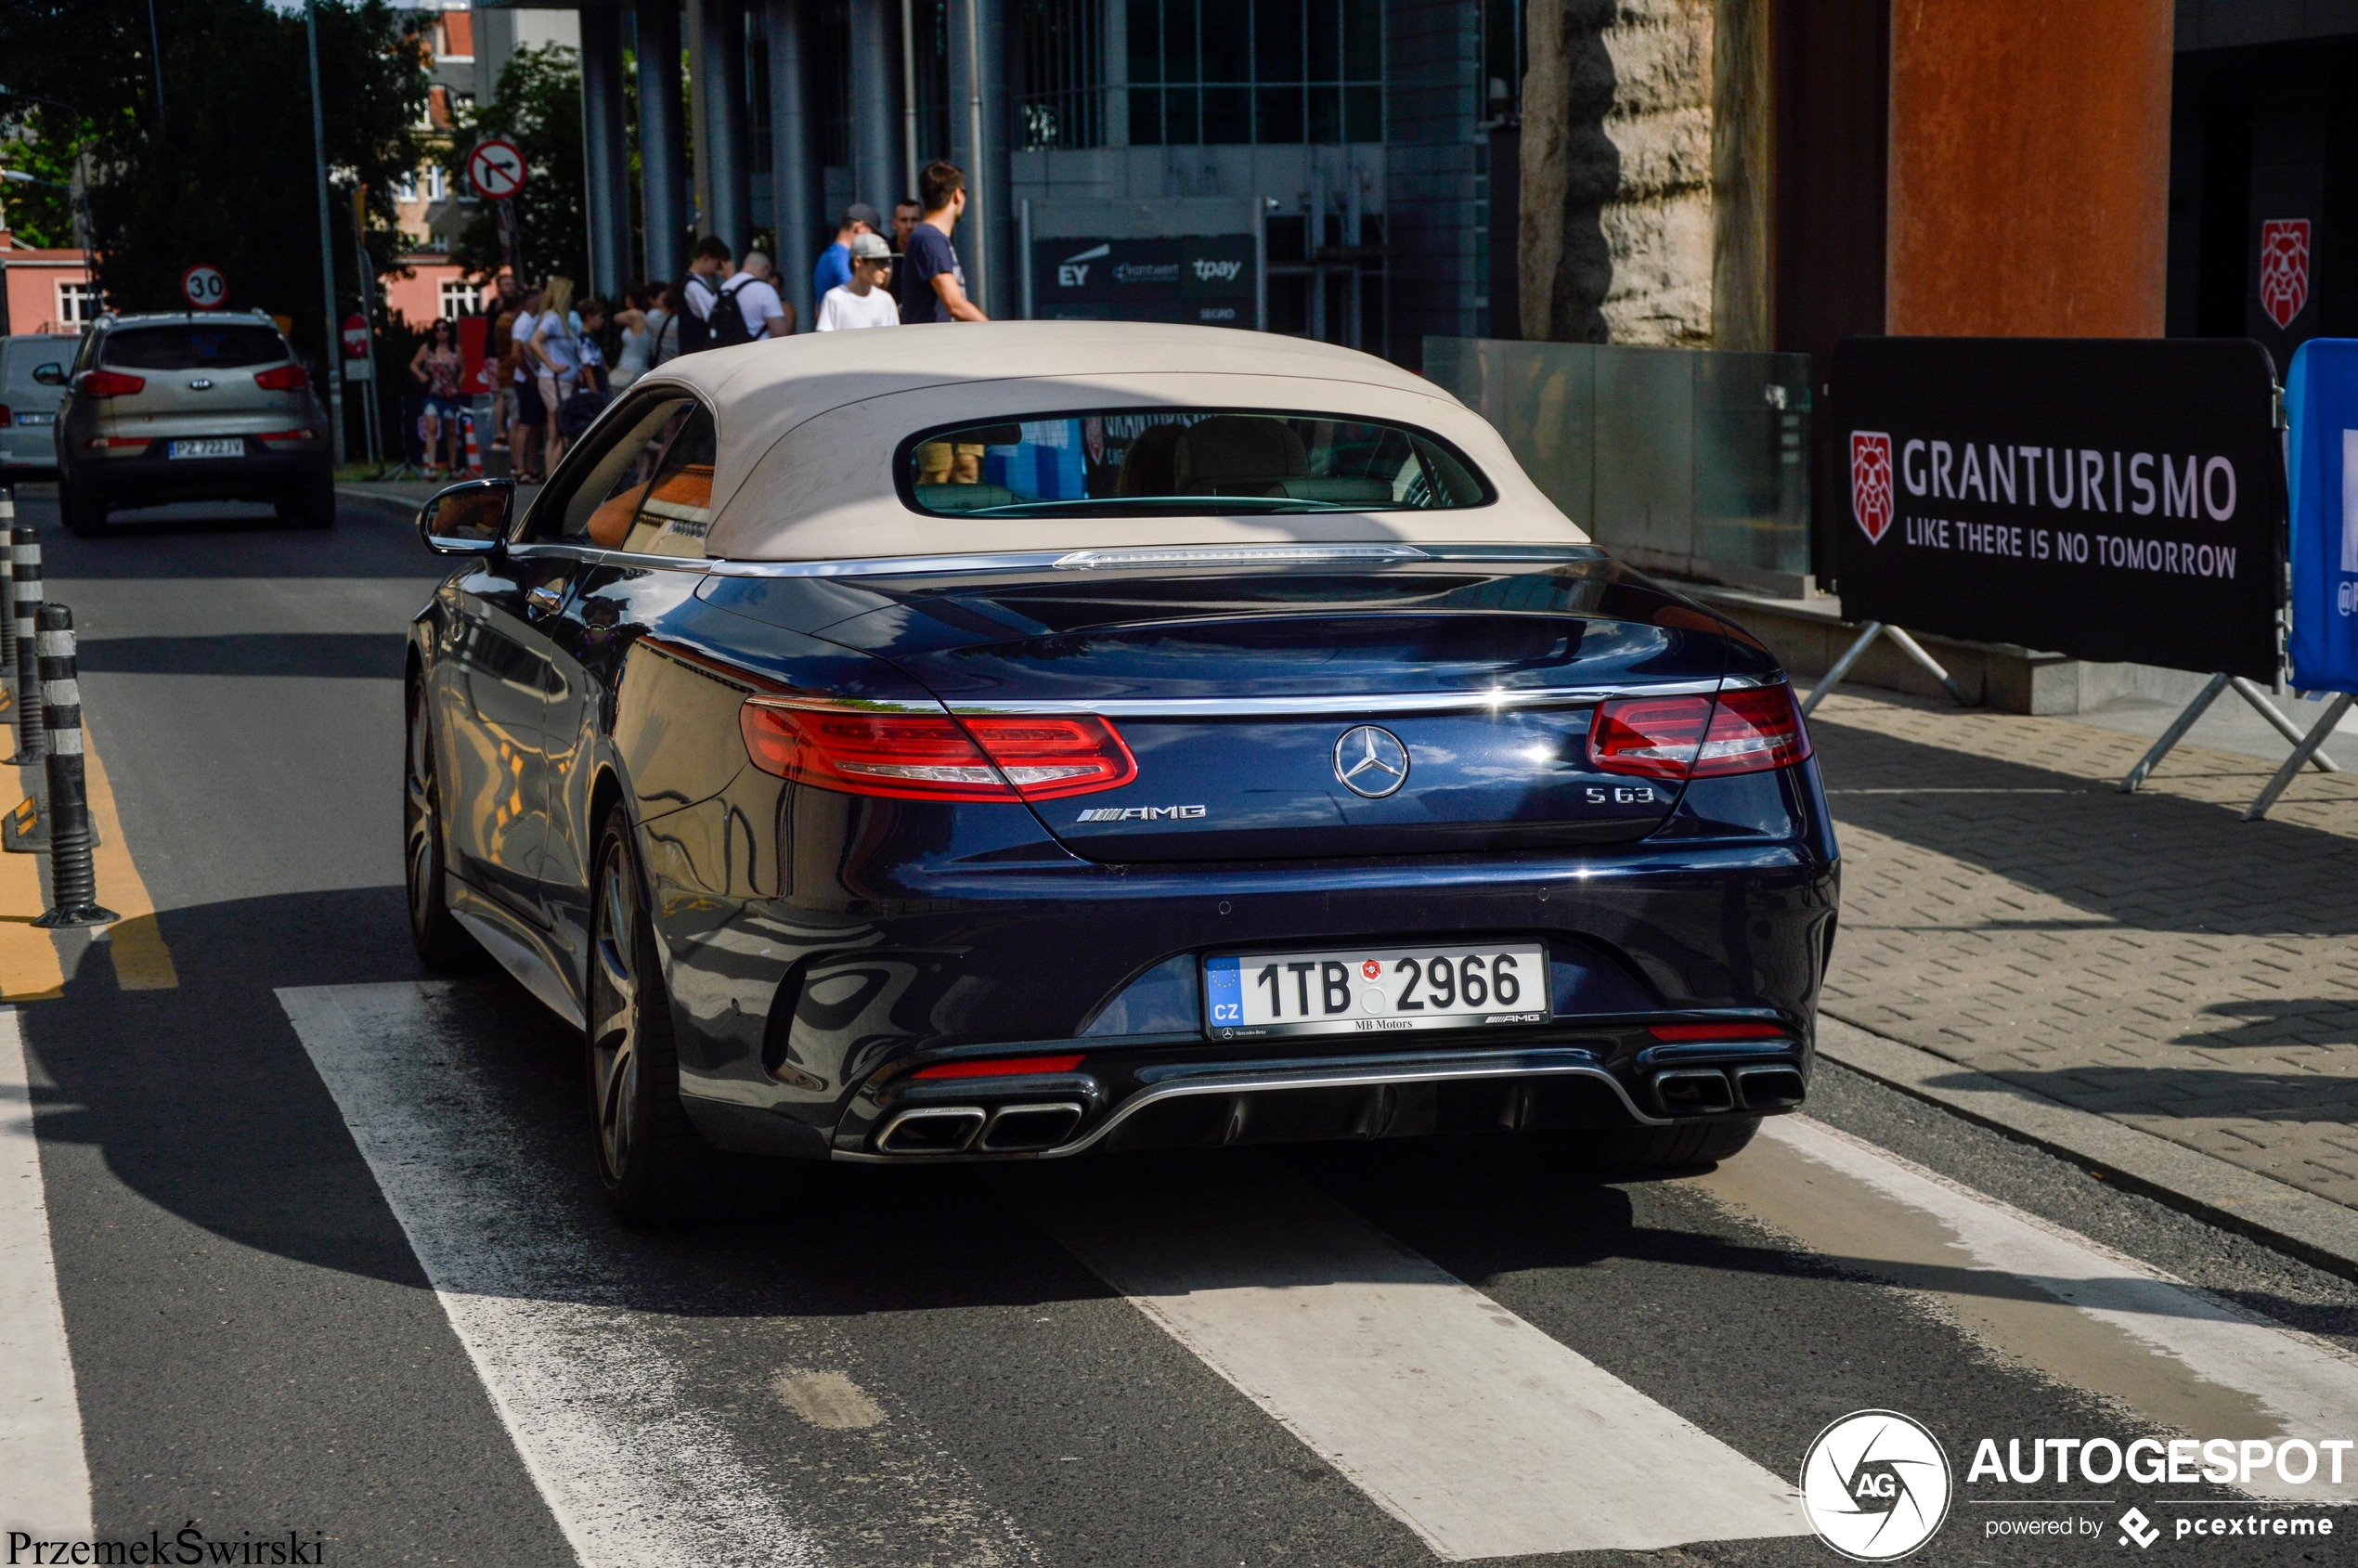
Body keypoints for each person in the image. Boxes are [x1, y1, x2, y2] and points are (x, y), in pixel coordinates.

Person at [902, 162, 988, 325]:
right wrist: (996, 332)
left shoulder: (931, 237)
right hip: (932, 347)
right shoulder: (929, 238)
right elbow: (955, 304)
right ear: (958, 195)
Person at [530, 277, 582, 474]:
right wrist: (552, 365)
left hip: (564, 379)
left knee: (556, 432)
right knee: (562, 430)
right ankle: (553, 476)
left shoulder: (567, 318)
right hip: (555, 380)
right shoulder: (553, 318)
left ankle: (552, 475)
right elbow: (534, 342)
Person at [408, 317, 466, 478]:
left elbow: (463, 369)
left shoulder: (456, 349)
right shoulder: (427, 348)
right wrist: (421, 375)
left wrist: (459, 383)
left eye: (444, 329)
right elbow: (413, 364)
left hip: (450, 395)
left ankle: (452, 466)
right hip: (432, 394)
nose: (441, 333)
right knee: (432, 428)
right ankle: (432, 466)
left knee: (451, 430)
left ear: (449, 332)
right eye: (437, 330)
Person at [816, 232, 900, 331]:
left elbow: (894, 341)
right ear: (858, 262)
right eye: (881, 262)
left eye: (888, 262)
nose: (887, 269)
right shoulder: (835, 299)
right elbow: (825, 341)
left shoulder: (886, 300)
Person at [507, 282, 546, 481]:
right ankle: (520, 468)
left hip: (532, 378)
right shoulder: (523, 322)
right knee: (525, 424)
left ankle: (530, 466)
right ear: (532, 300)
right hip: (526, 380)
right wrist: (530, 375)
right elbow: (516, 353)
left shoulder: (533, 320)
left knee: (535, 425)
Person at [673, 236, 733, 356]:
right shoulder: (693, 286)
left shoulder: (693, 283)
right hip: (698, 354)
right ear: (706, 258)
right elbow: (717, 317)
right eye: (718, 264)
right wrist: (730, 280)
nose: (718, 270)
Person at [814, 202, 883, 303]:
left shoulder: (827, 256)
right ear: (860, 227)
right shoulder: (844, 260)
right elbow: (856, 299)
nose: (873, 240)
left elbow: (817, 308)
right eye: (872, 234)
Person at [725, 251, 793, 341]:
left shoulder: (724, 289)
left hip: (729, 352)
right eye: (768, 274)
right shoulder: (765, 289)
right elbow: (780, 332)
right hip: (759, 351)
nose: (768, 278)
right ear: (764, 268)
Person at [609, 285, 654, 390]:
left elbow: (616, 318)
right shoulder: (644, 316)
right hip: (638, 367)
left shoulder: (635, 315)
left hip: (629, 368)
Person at [889, 197, 922, 317]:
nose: (909, 226)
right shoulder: (885, 254)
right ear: (894, 224)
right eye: (904, 220)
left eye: (914, 220)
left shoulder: (928, 254)